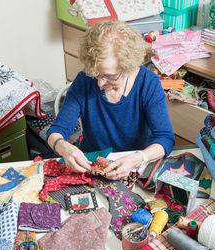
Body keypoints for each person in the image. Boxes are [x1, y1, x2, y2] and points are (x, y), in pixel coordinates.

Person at [47, 21, 175, 180]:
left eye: (109, 77)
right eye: (96, 74)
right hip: (91, 164)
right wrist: (64, 148)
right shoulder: (84, 80)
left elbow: (165, 139)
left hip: (134, 165)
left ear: (130, 67)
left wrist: (136, 158)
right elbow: (56, 130)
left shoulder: (148, 83)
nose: (100, 83)